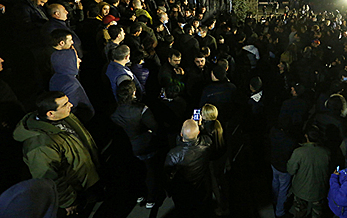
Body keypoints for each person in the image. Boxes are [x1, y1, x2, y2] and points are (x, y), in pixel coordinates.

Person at [13, 91, 100, 216]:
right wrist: (69, 202)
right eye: (65, 104)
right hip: (78, 189)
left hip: (88, 177)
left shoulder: (63, 116)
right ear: (50, 114)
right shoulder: (40, 146)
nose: (70, 105)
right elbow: (49, 177)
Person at [110, 80, 159, 209]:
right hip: (144, 145)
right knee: (149, 172)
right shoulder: (141, 109)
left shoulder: (115, 111)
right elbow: (154, 127)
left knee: (136, 171)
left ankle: (139, 195)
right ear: (134, 92)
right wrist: (150, 133)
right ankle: (151, 198)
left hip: (128, 146)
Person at [164, 119, 213, 217]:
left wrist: (169, 190)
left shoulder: (174, 154)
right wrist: (200, 125)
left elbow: (167, 174)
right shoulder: (206, 143)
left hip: (182, 190)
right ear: (198, 132)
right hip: (200, 186)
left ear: (181, 134)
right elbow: (206, 136)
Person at [287, 126, 331, 218]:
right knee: (317, 214)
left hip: (301, 190)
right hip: (319, 190)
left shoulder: (299, 152)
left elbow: (290, 170)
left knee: (300, 213)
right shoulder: (326, 152)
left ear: (306, 136)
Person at [49, 45, 95, 123]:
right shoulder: (70, 84)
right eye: (75, 59)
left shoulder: (56, 77)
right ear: (68, 62)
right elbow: (71, 110)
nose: (80, 60)